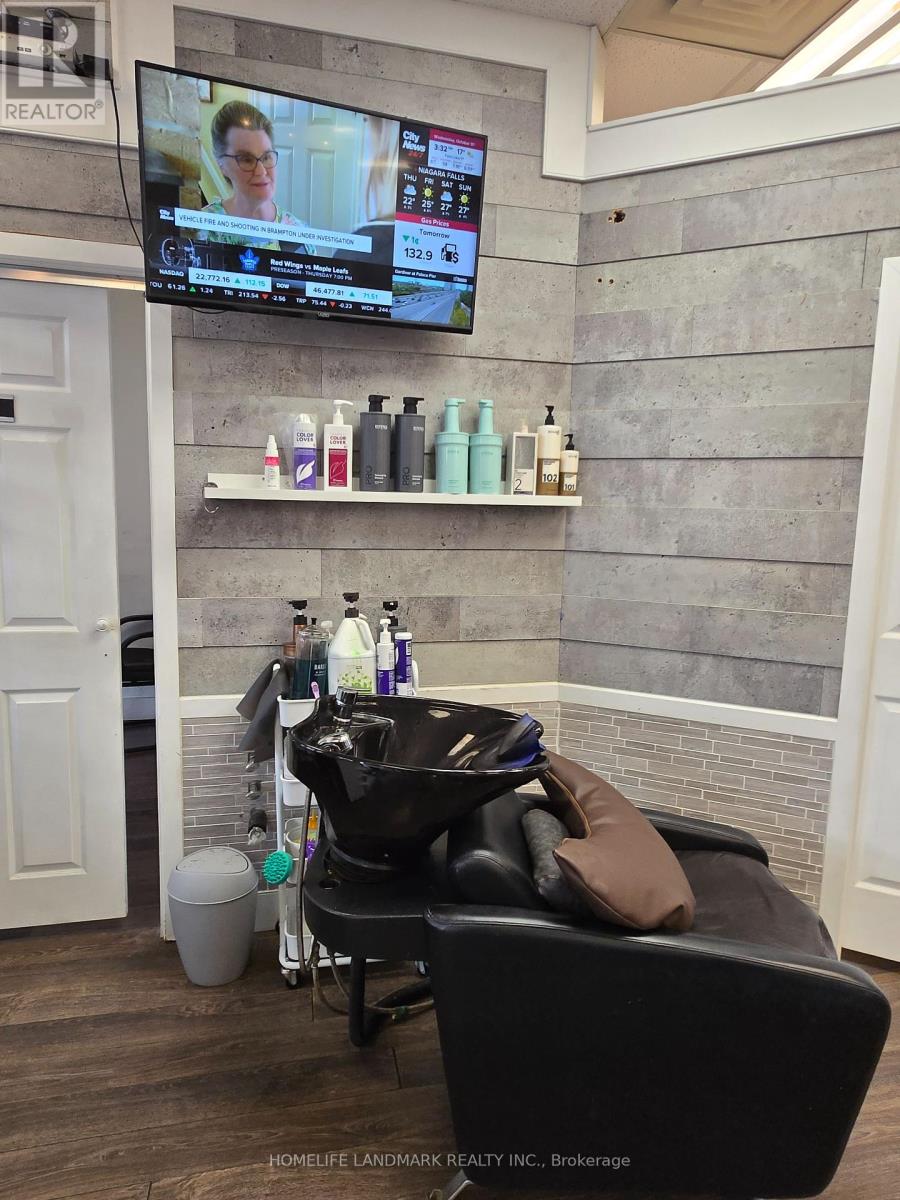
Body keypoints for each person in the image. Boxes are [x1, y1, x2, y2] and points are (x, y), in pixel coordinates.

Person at [200, 100, 315, 254]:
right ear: (222, 165)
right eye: (246, 159)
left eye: (266, 157)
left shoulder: (300, 236)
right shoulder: (201, 229)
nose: (261, 171)